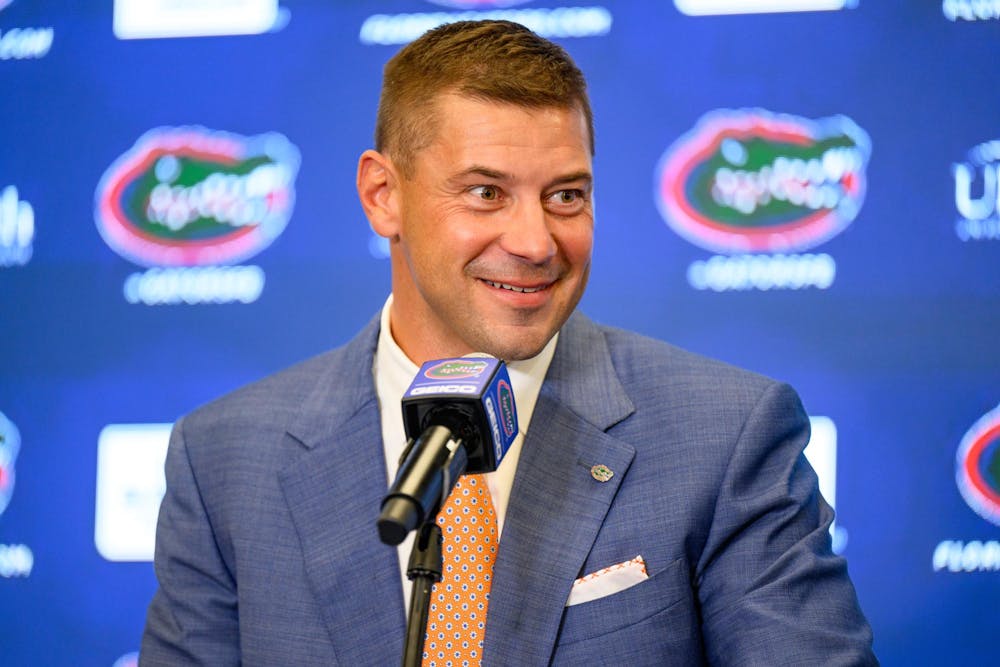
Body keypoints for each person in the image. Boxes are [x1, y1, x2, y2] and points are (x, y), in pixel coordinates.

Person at [141, 19, 877, 666]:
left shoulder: (726, 435)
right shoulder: (224, 461)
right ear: (382, 196)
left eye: (566, 196)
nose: (535, 242)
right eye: (486, 192)